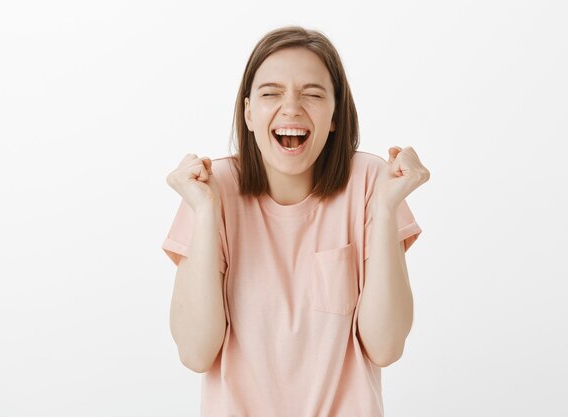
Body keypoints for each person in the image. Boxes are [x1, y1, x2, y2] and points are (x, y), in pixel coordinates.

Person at [161, 25, 430, 417]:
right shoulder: (209, 190)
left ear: (336, 114)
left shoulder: (372, 183)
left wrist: (386, 209)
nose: (291, 108)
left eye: (313, 94)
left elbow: (385, 347)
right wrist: (205, 213)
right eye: (271, 93)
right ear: (249, 113)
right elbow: (196, 352)